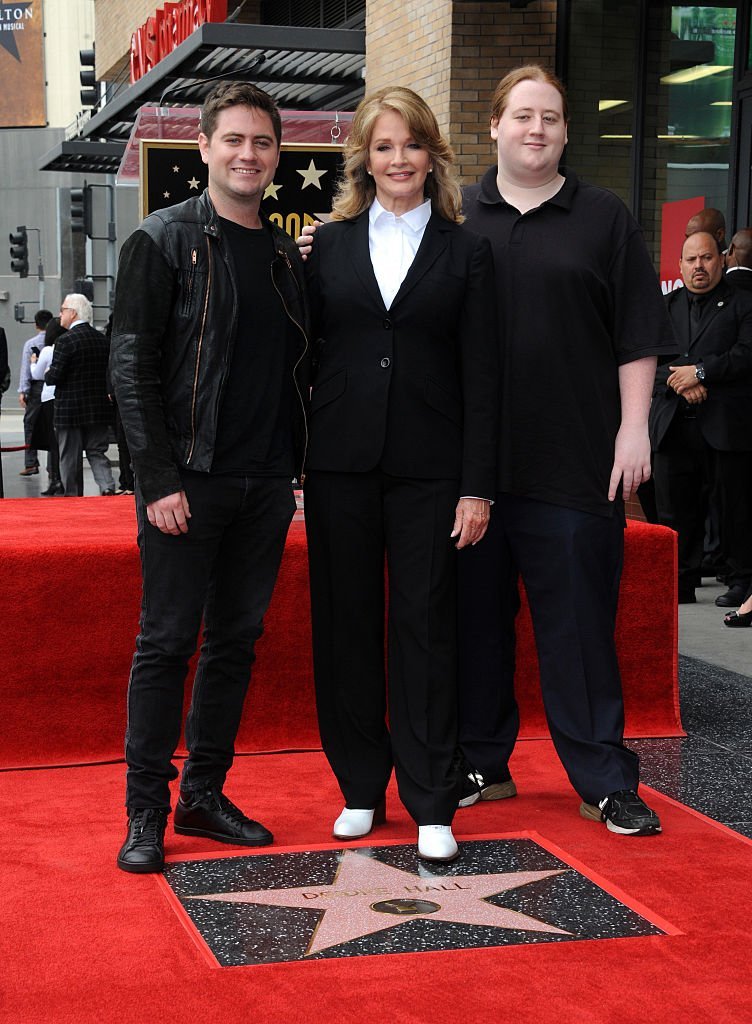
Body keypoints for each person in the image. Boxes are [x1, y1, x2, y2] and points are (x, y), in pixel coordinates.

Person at [297, 66, 675, 837]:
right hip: (460, 467)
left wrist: (634, 428)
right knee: (466, 626)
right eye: (522, 116)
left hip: (572, 460)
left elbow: (639, 334)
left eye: (552, 117)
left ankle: (603, 777)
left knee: (576, 626)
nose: (537, 129)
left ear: (567, 131)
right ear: (495, 127)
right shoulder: (463, 220)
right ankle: (479, 763)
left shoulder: (603, 218)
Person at [109, 81, 310, 874]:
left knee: (235, 642)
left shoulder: (288, 255)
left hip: (265, 486)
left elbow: (294, 370)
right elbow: (132, 368)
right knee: (165, 643)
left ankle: (203, 796)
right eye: (233, 140)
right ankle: (145, 814)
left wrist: (293, 473)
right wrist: (157, 480)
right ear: (203, 148)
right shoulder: (161, 240)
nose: (248, 154)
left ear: (275, 155)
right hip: (186, 483)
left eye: (261, 142)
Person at [304, 87, 498, 863]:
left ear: (433, 156)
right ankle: (359, 786)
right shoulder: (331, 244)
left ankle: (431, 797)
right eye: (383, 147)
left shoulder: (466, 250)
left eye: (411, 146)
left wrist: (476, 484)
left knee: (426, 629)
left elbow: (483, 376)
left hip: (433, 471)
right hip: (340, 463)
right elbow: (309, 355)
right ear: (364, 157)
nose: (398, 161)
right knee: (344, 625)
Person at [650, 231, 752, 609]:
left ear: (722, 260)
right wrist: (684, 381)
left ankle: (742, 581)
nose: (699, 267)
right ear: (679, 266)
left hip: (726, 426)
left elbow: (746, 354)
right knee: (675, 509)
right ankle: (681, 581)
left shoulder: (743, 304)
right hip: (675, 423)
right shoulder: (664, 306)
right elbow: (648, 362)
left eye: (706, 258)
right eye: (691, 260)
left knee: (733, 507)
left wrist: (702, 373)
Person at [45, 294, 116, 497]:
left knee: (69, 455)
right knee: (97, 451)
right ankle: (107, 486)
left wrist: (46, 373)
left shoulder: (65, 341)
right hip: (99, 407)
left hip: (70, 409)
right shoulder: (102, 340)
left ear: (73, 313)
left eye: (62, 309)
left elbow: (55, 376)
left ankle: (73, 495)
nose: (60, 314)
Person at [30, 317, 67, 496]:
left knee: (53, 442)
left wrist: (32, 362)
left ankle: (55, 479)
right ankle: (64, 478)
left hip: (48, 396)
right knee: (64, 441)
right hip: (64, 396)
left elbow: (37, 374)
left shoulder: (47, 350)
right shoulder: (67, 346)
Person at [17, 309, 53, 476]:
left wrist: (23, 390)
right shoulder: (57, 341)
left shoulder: (31, 343)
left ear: (36, 325)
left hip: (36, 386)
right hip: (54, 385)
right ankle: (53, 466)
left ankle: (31, 462)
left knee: (30, 424)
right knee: (53, 424)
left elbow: (26, 369)